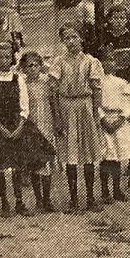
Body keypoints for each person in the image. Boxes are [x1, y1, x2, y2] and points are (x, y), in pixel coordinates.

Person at [0, 42, 54, 216]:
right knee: (1, 166)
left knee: (18, 165)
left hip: (17, 125)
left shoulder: (18, 79)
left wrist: (20, 125)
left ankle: (19, 202)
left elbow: (24, 106)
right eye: (0, 56)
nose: (4, 60)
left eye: (7, 57)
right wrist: (0, 128)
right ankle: (4, 203)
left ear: (12, 58)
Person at [50, 24, 105, 212]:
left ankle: (90, 197)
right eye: (67, 38)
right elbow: (53, 91)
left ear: (81, 38)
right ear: (62, 41)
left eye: (75, 37)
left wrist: (96, 113)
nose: (71, 41)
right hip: (66, 107)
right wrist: (57, 116)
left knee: (88, 153)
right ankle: (73, 200)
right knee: (70, 155)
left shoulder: (91, 62)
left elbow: (97, 90)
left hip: (86, 107)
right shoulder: (58, 62)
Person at [98, 50, 130, 202]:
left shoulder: (122, 83)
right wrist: (102, 119)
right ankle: (105, 191)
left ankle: (117, 189)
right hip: (103, 121)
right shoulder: (96, 83)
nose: (108, 64)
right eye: (105, 61)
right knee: (105, 158)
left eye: (111, 60)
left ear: (116, 64)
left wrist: (121, 118)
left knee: (117, 158)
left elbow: (127, 104)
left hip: (118, 121)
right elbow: (95, 103)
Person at [17, 50, 57, 211]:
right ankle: (38, 199)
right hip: (32, 127)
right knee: (35, 163)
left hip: (47, 123)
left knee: (46, 162)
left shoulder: (47, 81)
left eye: (36, 65)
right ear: (24, 68)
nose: (33, 68)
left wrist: (56, 122)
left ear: (40, 66)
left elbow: (53, 102)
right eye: (29, 66)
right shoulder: (22, 83)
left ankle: (47, 199)